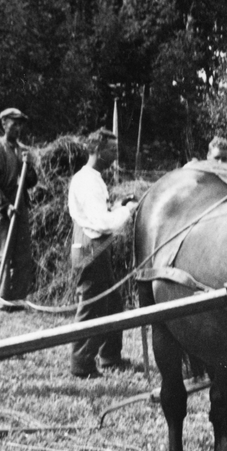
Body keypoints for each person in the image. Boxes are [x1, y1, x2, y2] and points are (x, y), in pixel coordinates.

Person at [68, 128, 138, 378]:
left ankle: (110, 356)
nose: (115, 155)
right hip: (90, 248)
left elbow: (100, 215)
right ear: (97, 150)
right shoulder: (87, 181)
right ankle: (81, 364)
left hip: (96, 247)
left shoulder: (94, 177)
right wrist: (128, 211)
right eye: (112, 150)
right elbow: (101, 223)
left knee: (112, 302)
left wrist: (116, 207)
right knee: (92, 306)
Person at [0, 108, 38, 309]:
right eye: (14, 124)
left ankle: (17, 300)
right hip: (1, 211)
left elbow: (30, 181)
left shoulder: (22, 150)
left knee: (22, 256)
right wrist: (4, 205)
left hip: (20, 209)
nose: (18, 128)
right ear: (4, 124)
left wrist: (28, 165)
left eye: (20, 124)